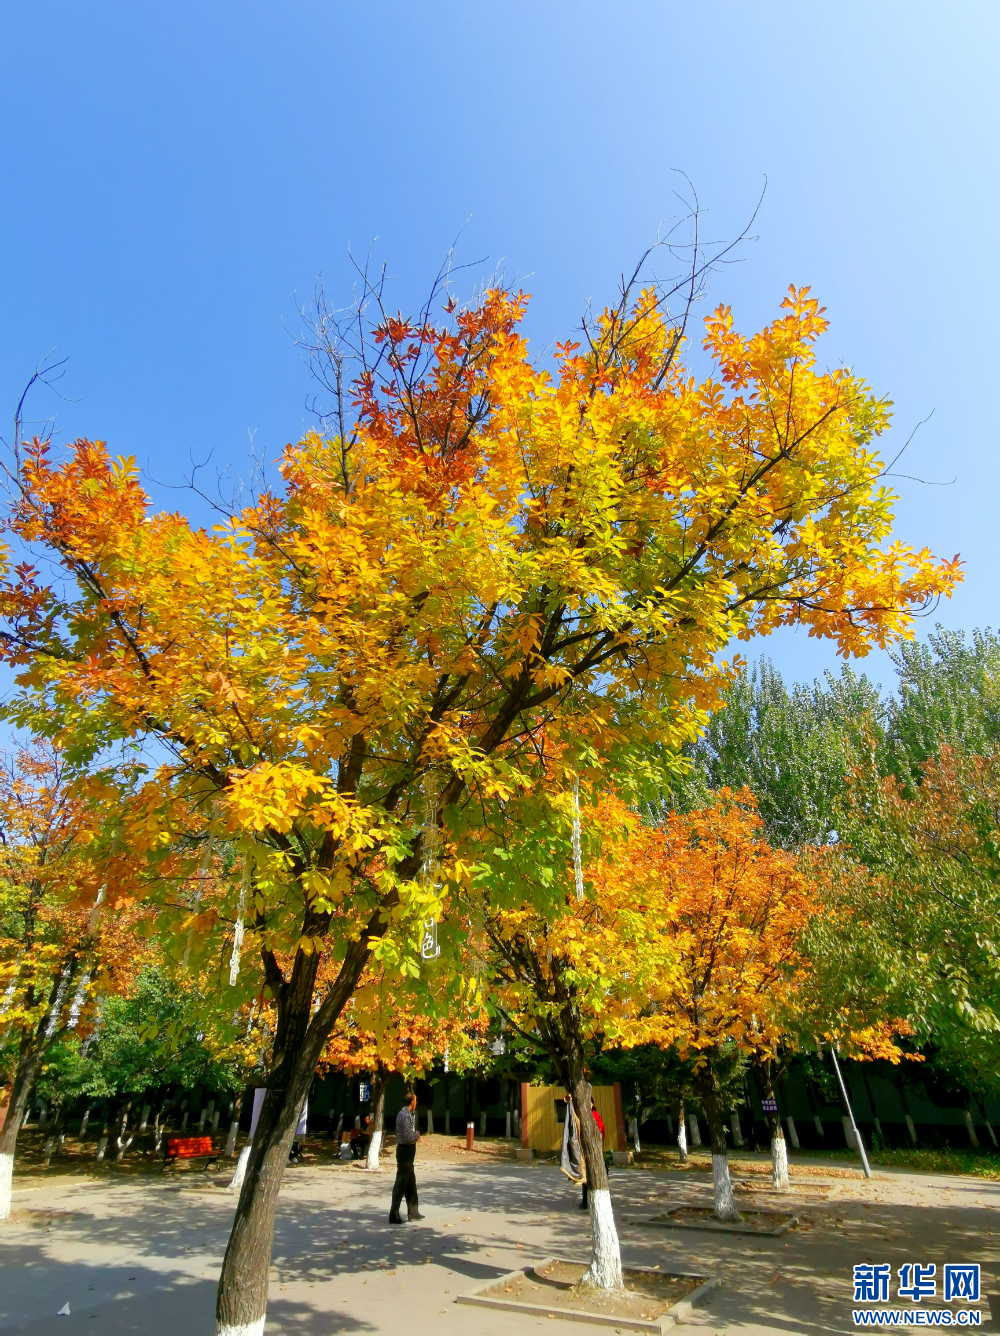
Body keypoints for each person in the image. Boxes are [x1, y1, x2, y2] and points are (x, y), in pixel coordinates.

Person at [389, 1091, 423, 1223]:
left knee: (410, 1182)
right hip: (405, 1151)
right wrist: (417, 1135)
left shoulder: (408, 1114)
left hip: (408, 1151)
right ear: (412, 1102)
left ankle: (413, 1211)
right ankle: (394, 1213)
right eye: (415, 1101)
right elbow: (407, 1137)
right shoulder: (404, 1115)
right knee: (401, 1182)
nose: (416, 1103)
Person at [580, 1100, 605, 1211]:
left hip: (593, 1149)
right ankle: (586, 1200)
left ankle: (594, 1200)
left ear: (593, 1104)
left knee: (592, 1175)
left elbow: (601, 1131)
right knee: (586, 1175)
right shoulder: (581, 1115)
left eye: (589, 1102)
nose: (587, 1104)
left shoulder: (594, 1115)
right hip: (584, 1149)